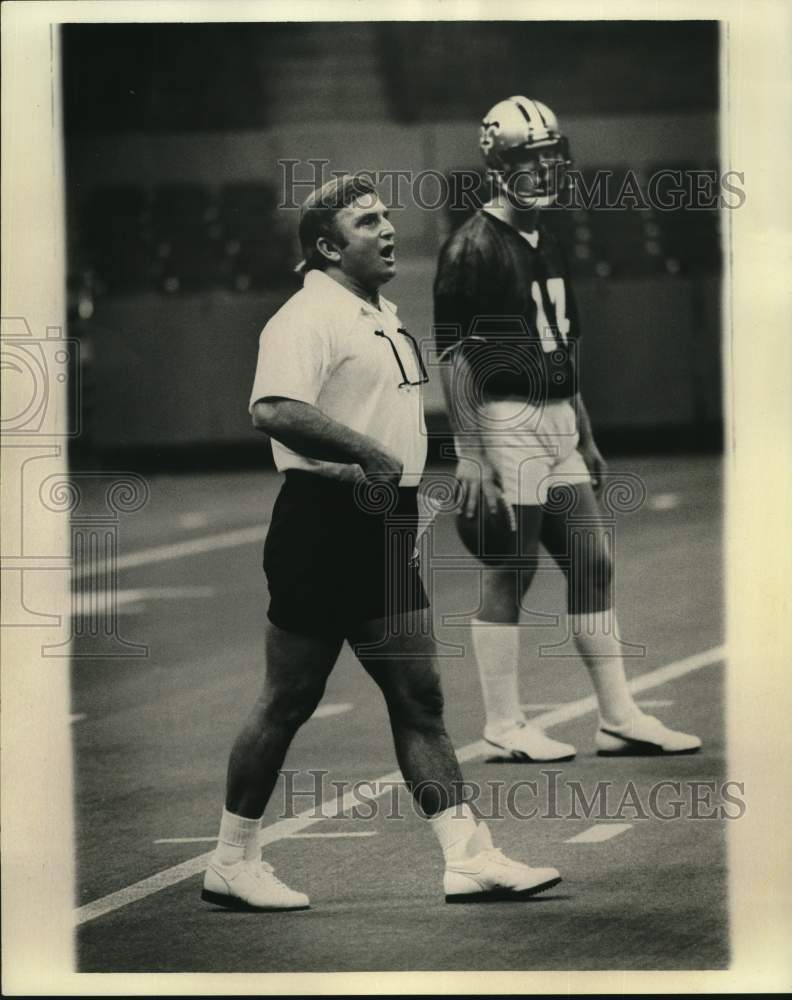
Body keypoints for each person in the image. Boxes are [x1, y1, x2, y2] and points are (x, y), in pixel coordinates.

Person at [202, 174, 562, 911]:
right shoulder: (307, 317)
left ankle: (469, 857)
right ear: (329, 247)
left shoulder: (383, 314)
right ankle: (232, 859)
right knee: (289, 697)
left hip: (385, 523)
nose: (388, 228)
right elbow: (271, 406)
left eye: (386, 215)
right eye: (369, 222)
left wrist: (407, 472)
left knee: (419, 695)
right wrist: (370, 454)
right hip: (325, 523)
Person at [434, 97, 702, 762]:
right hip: (506, 417)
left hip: (554, 419)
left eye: (553, 156)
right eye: (531, 159)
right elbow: (455, 354)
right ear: (499, 165)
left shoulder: (543, 237)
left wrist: (584, 431)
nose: (547, 170)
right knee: (510, 568)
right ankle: (502, 722)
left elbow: (563, 342)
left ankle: (617, 718)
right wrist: (469, 451)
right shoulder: (471, 247)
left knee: (592, 562)